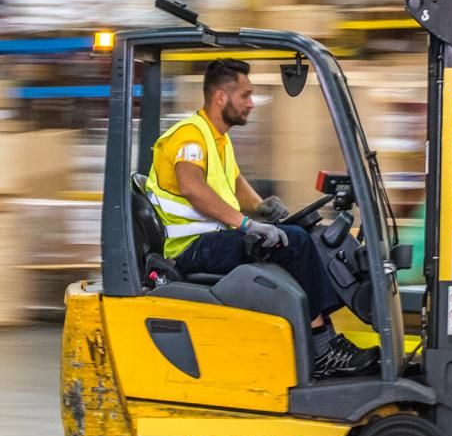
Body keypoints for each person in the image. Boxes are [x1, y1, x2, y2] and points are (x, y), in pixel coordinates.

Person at [146, 58, 380, 380]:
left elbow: (236, 182)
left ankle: (322, 341)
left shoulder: (218, 138)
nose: (251, 104)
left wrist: (262, 209)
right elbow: (192, 187)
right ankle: (322, 350)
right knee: (294, 242)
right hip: (191, 247)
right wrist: (247, 224)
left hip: (212, 239)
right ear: (221, 98)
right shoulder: (190, 137)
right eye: (245, 95)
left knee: (299, 232)